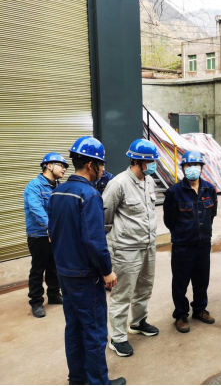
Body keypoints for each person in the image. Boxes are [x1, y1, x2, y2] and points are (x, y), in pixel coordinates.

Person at [48, 136, 126, 385]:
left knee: (74, 328)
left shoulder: (58, 192)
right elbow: (94, 241)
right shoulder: (89, 195)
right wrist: (107, 271)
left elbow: (53, 233)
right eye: (101, 164)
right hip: (85, 276)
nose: (103, 170)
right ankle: (98, 382)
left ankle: (78, 378)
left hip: (65, 273)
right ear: (91, 165)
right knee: (94, 332)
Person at [102, 139, 160, 358]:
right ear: (137, 161)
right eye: (150, 161)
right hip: (126, 250)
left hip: (148, 245)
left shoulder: (149, 181)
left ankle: (137, 322)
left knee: (144, 287)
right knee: (122, 293)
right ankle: (117, 338)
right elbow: (105, 216)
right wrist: (111, 245)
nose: (153, 165)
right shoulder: (118, 183)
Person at [163, 150, 218, 333]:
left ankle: (200, 309)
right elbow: (169, 220)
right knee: (180, 282)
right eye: (188, 165)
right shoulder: (174, 192)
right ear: (183, 168)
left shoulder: (209, 189)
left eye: (195, 165)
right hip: (183, 246)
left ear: (201, 167)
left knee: (202, 280)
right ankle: (180, 314)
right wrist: (183, 234)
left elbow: (212, 214)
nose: (192, 168)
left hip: (203, 245)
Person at [23, 153, 68, 318]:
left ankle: (54, 294)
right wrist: (51, 228)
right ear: (49, 165)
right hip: (39, 234)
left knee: (53, 266)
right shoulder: (34, 186)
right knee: (38, 268)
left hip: (55, 233)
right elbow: (36, 209)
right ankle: (36, 302)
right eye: (61, 165)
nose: (64, 169)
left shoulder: (59, 187)